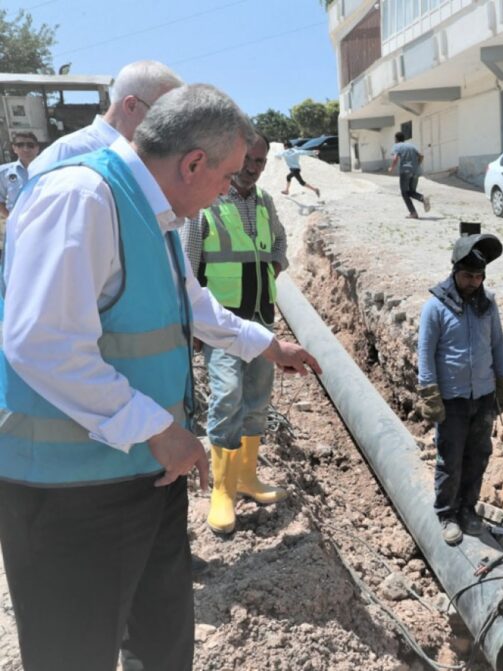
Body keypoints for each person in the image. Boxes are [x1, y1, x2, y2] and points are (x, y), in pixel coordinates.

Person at [0, 83, 321, 671]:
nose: (230, 189)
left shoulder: (158, 213)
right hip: (70, 496)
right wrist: (156, 427)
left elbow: (188, 304)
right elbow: (40, 342)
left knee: (160, 643)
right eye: (227, 175)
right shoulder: (81, 197)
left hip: (145, 476)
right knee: (74, 655)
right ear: (194, 162)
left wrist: (267, 345)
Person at [181, 132, 290, 534]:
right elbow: (188, 262)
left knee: (257, 399)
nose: (253, 168)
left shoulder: (265, 202)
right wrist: (193, 321)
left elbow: (278, 240)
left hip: (260, 318)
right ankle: (222, 492)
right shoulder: (208, 202)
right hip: (222, 322)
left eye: (261, 162)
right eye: (249, 159)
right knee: (228, 396)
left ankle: (246, 478)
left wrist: (274, 265)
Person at [416, 234, 503, 545]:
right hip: (452, 400)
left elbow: (497, 343)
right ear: (455, 271)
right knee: (450, 457)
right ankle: (446, 513)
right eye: (468, 276)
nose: (474, 282)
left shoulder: (488, 304)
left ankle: (468, 509)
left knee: (478, 454)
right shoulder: (436, 307)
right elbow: (426, 353)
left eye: (479, 276)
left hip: (482, 397)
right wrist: (429, 393)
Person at [30, 60, 183, 177]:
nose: (169, 127)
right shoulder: (69, 152)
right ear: (131, 105)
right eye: (162, 116)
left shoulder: (151, 157)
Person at [388, 131, 430, 219]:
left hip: (405, 171)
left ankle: (413, 213)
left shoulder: (397, 146)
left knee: (404, 193)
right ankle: (422, 198)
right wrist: (417, 165)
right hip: (416, 171)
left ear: (396, 139)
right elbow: (421, 156)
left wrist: (391, 167)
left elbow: (395, 158)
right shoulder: (412, 146)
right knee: (411, 192)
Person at [0, 132, 40, 219]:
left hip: (43, 222)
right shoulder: (3, 172)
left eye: (30, 145)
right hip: (17, 226)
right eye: (20, 145)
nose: (25, 149)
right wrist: (11, 219)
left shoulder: (49, 170)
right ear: (14, 148)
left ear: (37, 148)